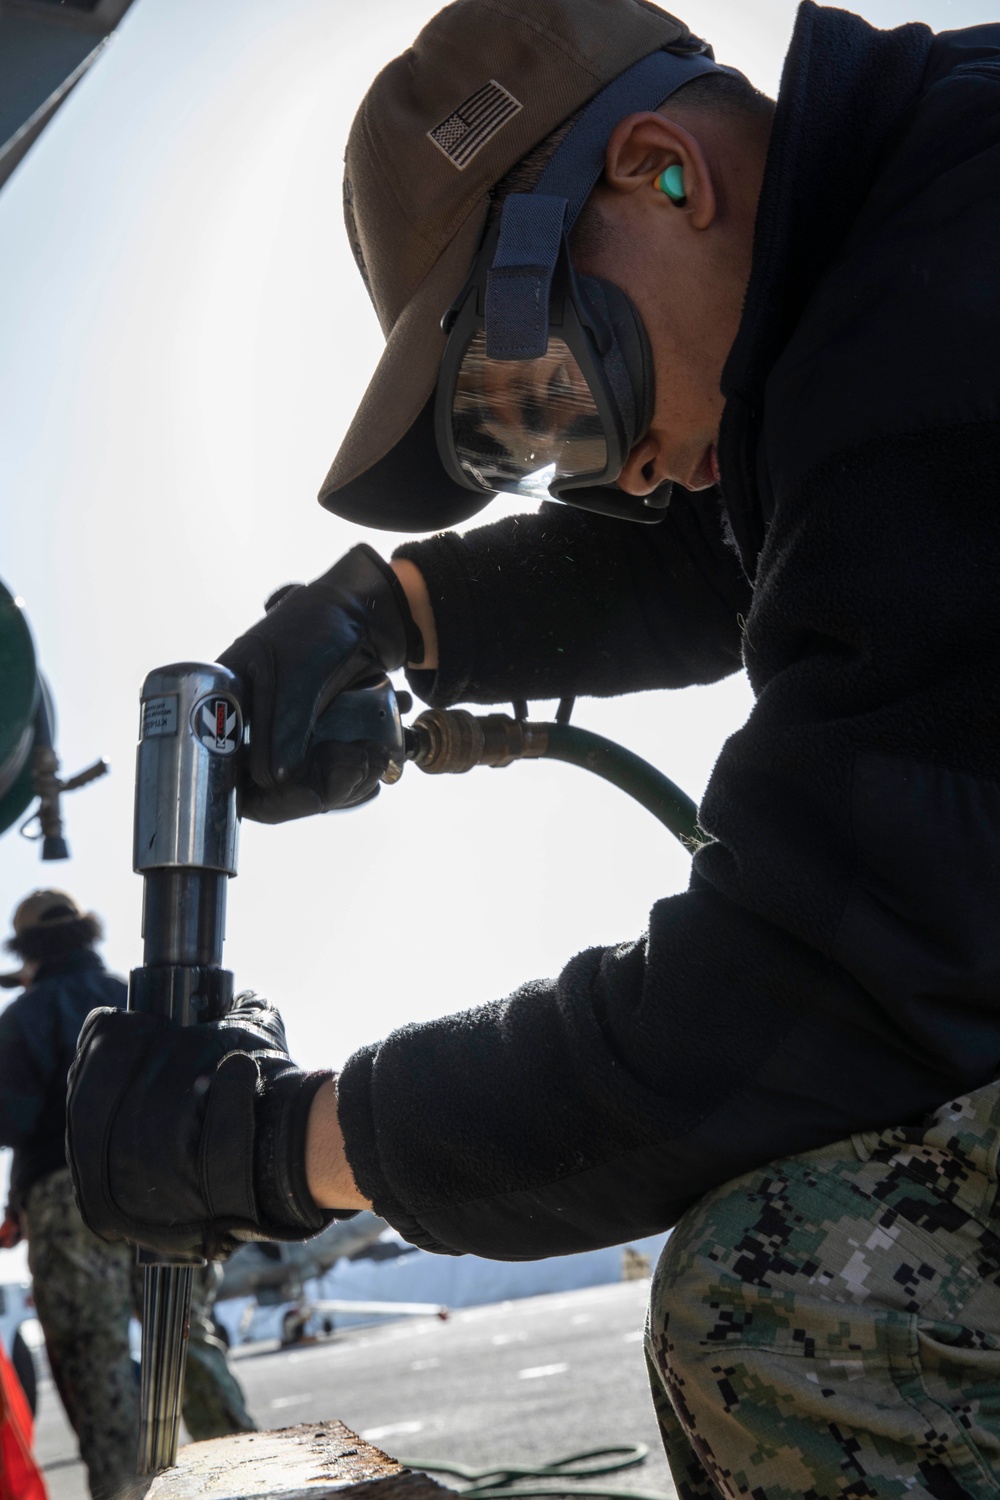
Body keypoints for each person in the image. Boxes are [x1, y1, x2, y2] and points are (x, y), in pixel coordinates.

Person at [67, 0, 1000, 1494]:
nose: (616, 468)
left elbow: (799, 1000)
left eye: (564, 396)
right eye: (530, 450)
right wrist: (384, 612)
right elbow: (738, 537)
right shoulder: (918, 211)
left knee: (784, 1299)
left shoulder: (929, 334)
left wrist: (280, 1145)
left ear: (663, 172)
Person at [0, 891, 255, 1500]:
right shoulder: (137, 996)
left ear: (28, 951)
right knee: (186, 1333)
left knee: (96, 1355)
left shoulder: (22, 1018)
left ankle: (125, 1492)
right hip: (163, 1181)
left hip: (66, 1197)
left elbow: (14, 1122)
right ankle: (249, 1476)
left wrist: (19, 1203)